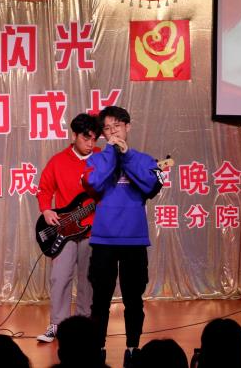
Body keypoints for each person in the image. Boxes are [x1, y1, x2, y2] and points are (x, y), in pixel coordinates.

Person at [84, 106, 163, 368]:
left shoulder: (145, 160)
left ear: (128, 127)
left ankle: (133, 349)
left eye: (117, 126)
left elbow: (151, 186)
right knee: (100, 301)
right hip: (103, 241)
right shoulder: (96, 160)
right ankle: (97, 350)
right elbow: (94, 184)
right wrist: (111, 153)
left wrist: (126, 156)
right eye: (107, 129)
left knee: (133, 300)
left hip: (134, 241)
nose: (113, 132)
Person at [35, 113, 101, 342]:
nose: (90, 143)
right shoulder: (58, 161)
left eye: (94, 139)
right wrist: (46, 210)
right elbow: (44, 189)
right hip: (64, 230)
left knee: (88, 280)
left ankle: (85, 325)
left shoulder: (102, 158)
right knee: (60, 278)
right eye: (85, 138)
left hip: (93, 230)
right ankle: (57, 325)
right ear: (74, 135)